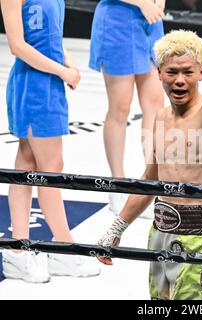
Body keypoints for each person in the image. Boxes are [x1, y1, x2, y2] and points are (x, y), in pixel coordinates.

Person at [96, 6, 202, 300]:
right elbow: (150, 178)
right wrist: (118, 226)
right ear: (159, 73)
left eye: (187, 72)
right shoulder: (160, 118)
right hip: (160, 231)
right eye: (172, 72)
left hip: (200, 234)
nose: (179, 80)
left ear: (201, 73)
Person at [0, 0, 100, 283]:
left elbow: (50, 38)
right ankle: (62, 247)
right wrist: (62, 71)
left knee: (28, 164)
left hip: (47, 82)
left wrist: (68, 62)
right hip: (34, 84)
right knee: (49, 169)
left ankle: (19, 250)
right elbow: (18, 45)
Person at [89, 0, 165, 215]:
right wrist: (142, 3)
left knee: (156, 105)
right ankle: (117, 184)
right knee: (120, 107)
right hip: (117, 21)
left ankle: (152, 182)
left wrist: (158, 3)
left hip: (151, 24)